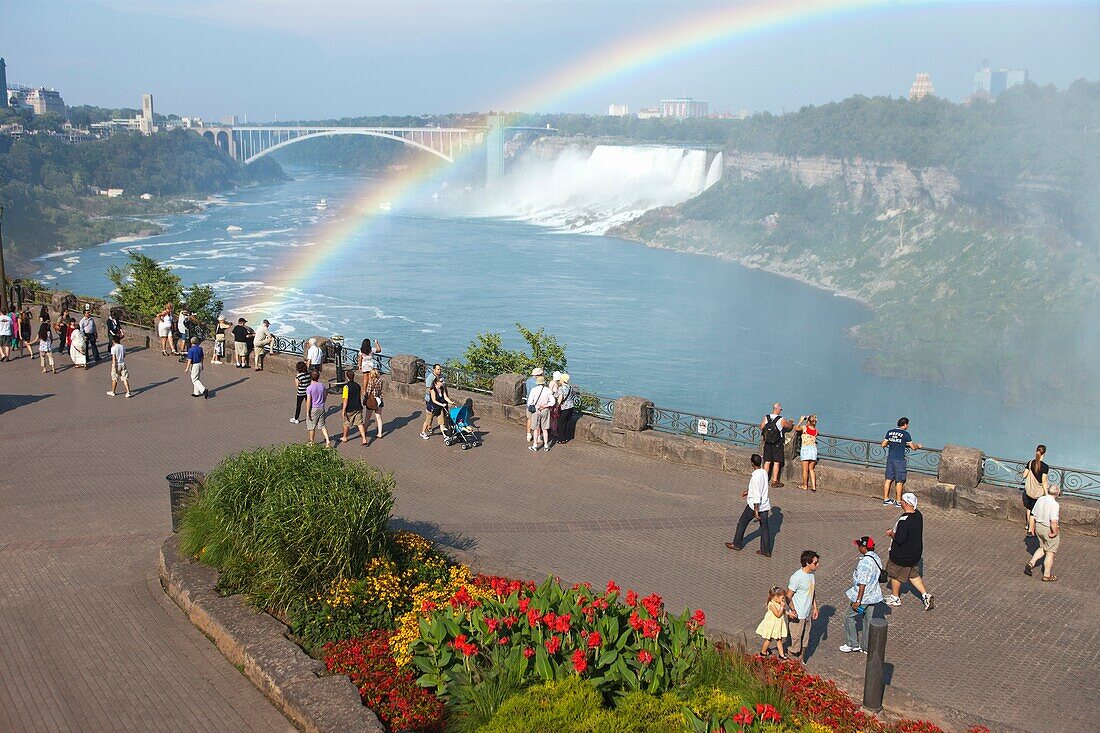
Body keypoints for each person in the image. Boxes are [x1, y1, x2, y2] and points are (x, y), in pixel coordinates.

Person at [883, 492, 934, 610]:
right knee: (913, 575)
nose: (900, 502)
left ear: (906, 503)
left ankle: (895, 597)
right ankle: (925, 595)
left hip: (902, 555)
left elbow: (899, 539)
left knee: (895, 574)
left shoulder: (904, 521)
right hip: (914, 554)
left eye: (902, 501)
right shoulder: (918, 515)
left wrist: (891, 534)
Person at [842, 536, 884, 653]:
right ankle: (866, 647)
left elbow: (862, 584)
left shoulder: (864, 563)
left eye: (860, 545)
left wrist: (857, 601)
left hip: (863, 598)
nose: (858, 547)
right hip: (873, 596)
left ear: (864, 547)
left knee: (848, 616)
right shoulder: (876, 557)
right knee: (867, 620)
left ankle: (852, 643)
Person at [726, 453, 773, 557]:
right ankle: (766, 550)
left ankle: (737, 544)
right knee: (765, 528)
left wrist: (756, 511)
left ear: (752, 463)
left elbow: (756, 494)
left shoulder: (755, 477)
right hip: (765, 505)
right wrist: (748, 491)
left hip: (754, 506)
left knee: (742, 522)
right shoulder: (764, 473)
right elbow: (759, 487)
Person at [785, 550, 820, 662]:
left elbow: (812, 591)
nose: (818, 565)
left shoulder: (811, 574)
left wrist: (815, 607)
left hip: (807, 613)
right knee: (795, 640)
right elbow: (788, 596)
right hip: (798, 615)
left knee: (805, 639)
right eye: (815, 563)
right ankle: (791, 662)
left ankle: (801, 660)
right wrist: (793, 610)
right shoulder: (797, 577)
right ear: (807, 563)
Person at [881, 417, 923, 506]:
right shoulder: (905, 434)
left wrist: (892, 442)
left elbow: (883, 444)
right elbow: (913, 447)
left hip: (890, 459)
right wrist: (918, 446)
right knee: (899, 481)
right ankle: (898, 501)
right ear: (905, 425)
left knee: (888, 479)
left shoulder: (890, 432)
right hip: (899, 460)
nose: (908, 426)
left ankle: (886, 499)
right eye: (907, 424)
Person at [1026, 485, 1062, 582]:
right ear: (1058, 493)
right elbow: (1053, 521)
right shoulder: (1055, 505)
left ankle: (1031, 563)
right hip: (1048, 528)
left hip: (1039, 527)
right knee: (1050, 552)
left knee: (1043, 547)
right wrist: (1054, 532)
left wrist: (1031, 527)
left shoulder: (1041, 499)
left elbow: (1033, 514)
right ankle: (1047, 575)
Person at [760, 403, 793, 488]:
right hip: (777, 443)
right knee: (776, 462)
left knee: (767, 461)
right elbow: (788, 427)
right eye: (781, 409)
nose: (781, 411)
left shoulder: (766, 417)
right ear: (777, 409)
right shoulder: (781, 419)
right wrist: (791, 422)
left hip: (767, 442)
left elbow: (761, 427)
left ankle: (763, 480)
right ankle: (775, 481)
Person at [1020, 445, 1050, 536]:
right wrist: (1046, 493)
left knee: (1029, 508)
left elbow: (1024, 475)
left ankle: (1027, 525)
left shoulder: (1030, 462)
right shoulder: (1045, 467)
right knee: (1034, 511)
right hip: (1038, 492)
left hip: (1029, 490)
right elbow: (1044, 481)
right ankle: (1030, 530)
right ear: (1044, 454)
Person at [755, 586, 789, 660]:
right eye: (782, 598)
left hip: (777, 625)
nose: (783, 600)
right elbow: (778, 614)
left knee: (779, 639)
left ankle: (781, 654)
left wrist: (790, 614)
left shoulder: (777, 603)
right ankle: (763, 652)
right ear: (776, 597)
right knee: (769, 639)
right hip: (772, 625)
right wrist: (782, 607)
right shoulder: (771, 605)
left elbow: (782, 612)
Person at [527, 374, 555, 451]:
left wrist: (537, 406)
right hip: (545, 410)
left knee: (536, 429)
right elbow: (553, 402)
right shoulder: (548, 390)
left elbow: (530, 402)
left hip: (536, 410)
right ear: (544, 382)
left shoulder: (534, 390)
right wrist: (545, 405)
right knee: (545, 429)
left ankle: (535, 445)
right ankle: (546, 445)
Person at [340, 368, 368, 446]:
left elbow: (345, 399)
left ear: (347, 377)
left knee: (346, 423)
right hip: (358, 407)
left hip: (350, 408)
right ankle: (364, 438)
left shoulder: (346, 387)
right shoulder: (358, 386)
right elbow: (359, 396)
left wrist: (343, 410)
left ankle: (345, 437)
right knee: (359, 423)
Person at [304, 370, 331, 447]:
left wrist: (307, 412)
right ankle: (328, 440)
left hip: (314, 408)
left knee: (311, 426)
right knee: (322, 425)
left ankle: (312, 441)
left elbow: (308, 401)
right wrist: (323, 402)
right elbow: (325, 396)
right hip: (321, 407)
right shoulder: (322, 386)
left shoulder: (309, 388)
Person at [794, 414, 819, 492]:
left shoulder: (804, 428)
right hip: (813, 450)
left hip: (806, 450)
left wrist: (800, 421)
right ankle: (814, 486)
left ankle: (805, 485)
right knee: (811, 469)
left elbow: (796, 428)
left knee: (805, 470)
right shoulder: (816, 430)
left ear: (808, 421)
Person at [420, 363, 445, 439]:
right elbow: (427, 390)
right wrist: (434, 390)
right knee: (430, 416)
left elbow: (443, 384)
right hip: (430, 400)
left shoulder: (441, 376)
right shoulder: (430, 378)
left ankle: (430, 427)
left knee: (434, 415)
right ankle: (426, 429)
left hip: (439, 400)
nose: (439, 371)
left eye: (440, 369)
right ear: (434, 370)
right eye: (438, 369)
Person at [428, 373, 455, 440]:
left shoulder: (442, 388)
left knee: (444, 421)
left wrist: (451, 402)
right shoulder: (433, 390)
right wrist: (441, 404)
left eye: (443, 381)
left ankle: (447, 435)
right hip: (436, 408)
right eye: (441, 381)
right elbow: (434, 400)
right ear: (436, 382)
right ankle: (425, 430)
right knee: (432, 421)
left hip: (442, 407)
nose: (443, 382)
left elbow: (445, 397)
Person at [107, 334, 132, 398]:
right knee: (125, 378)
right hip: (123, 364)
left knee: (114, 379)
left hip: (117, 364)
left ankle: (113, 391)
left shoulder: (113, 348)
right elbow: (124, 355)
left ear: (113, 341)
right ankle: (128, 392)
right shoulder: (122, 346)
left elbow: (114, 358)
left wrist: (114, 366)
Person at [364, 367, 385, 439]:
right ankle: (380, 433)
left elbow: (368, 391)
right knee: (379, 417)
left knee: (367, 417)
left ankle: (364, 430)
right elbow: (380, 390)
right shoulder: (380, 381)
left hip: (371, 400)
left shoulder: (371, 382)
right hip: (379, 400)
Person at [555, 373, 576, 443]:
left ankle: (561, 439)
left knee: (561, 422)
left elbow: (560, 398)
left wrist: (557, 406)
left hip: (564, 407)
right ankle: (567, 437)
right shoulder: (570, 387)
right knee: (567, 422)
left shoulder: (561, 388)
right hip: (571, 406)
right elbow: (573, 394)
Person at [526, 367, 544, 442]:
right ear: (539, 374)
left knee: (529, 419)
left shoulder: (528, 381)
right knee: (537, 421)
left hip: (529, 403)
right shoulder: (538, 382)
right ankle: (538, 437)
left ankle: (528, 434)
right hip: (536, 404)